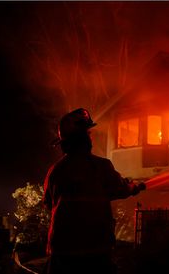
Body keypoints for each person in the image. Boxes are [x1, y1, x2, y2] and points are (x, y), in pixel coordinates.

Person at [43, 108, 145, 274]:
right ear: (83, 138)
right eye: (88, 133)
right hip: (95, 254)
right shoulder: (100, 166)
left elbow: (48, 204)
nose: (91, 137)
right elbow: (120, 189)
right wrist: (135, 187)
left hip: (61, 253)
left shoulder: (55, 171)